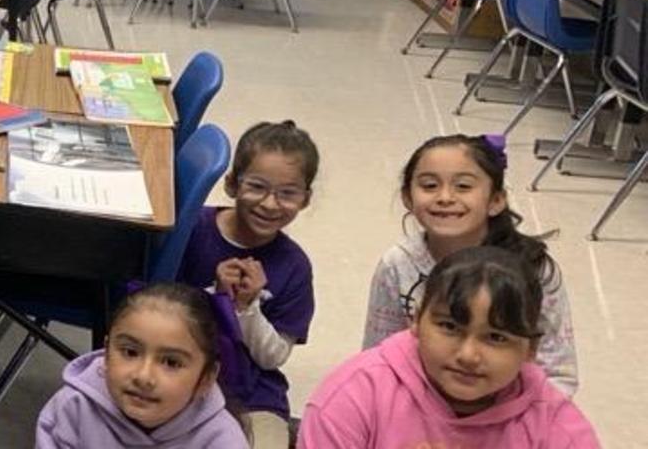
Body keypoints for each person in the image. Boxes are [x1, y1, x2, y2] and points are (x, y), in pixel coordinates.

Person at [301, 246, 600, 448]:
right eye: (449, 327)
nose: (468, 356)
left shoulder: (557, 427)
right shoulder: (354, 396)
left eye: (496, 337)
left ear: (531, 349)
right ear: (417, 320)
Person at [363, 134, 578, 395]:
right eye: (429, 185)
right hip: (416, 406)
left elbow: (558, 373)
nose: (445, 197)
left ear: (496, 200)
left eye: (463, 186)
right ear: (408, 198)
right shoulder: (398, 264)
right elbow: (377, 359)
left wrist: (523, 416)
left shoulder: (534, 269)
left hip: (511, 409)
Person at [172, 120, 317, 441]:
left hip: (252, 395)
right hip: (177, 375)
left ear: (305, 199)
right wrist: (215, 297)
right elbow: (154, 311)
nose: (269, 203)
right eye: (257, 186)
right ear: (231, 184)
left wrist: (246, 307)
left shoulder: (294, 267)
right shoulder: (192, 229)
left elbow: (272, 357)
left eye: (287, 193)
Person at [34, 283, 247, 448]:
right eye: (130, 352)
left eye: (171, 362)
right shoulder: (72, 408)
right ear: (106, 353)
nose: (144, 376)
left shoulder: (221, 439)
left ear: (206, 378)